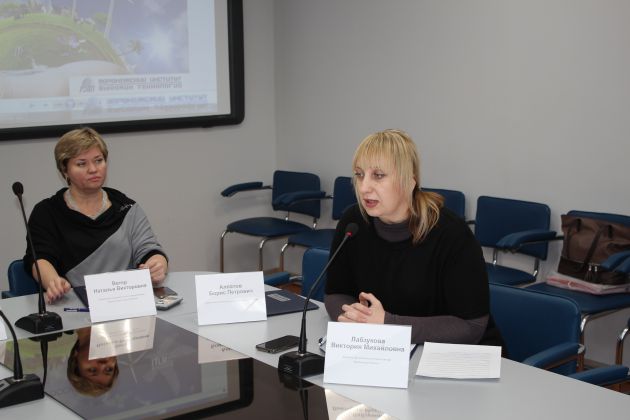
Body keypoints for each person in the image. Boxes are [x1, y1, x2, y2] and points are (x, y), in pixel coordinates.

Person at [324, 129, 501, 345]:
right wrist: (354, 321)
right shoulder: (353, 222)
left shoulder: (452, 234)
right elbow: (336, 292)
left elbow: (471, 327)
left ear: (410, 181)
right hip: (383, 348)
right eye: (359, 174)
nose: (363, 187)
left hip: (453, 355)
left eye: (378, 175)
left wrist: (388, 325)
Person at [23, 127, 168, 303]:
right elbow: (40, 257)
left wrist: (157, 264)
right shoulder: (47, 212)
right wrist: (53, 281)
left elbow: (149, 249)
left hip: (127, 301)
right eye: (81, 164)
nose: (93, 169)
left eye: (98, 161)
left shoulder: (126, 207)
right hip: (73, 304)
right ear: (65, 170)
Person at [67, 326, 119, 397]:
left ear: (75, 358)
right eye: (109, 369)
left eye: (92, 370)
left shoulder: (62, 322)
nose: (103, 364)